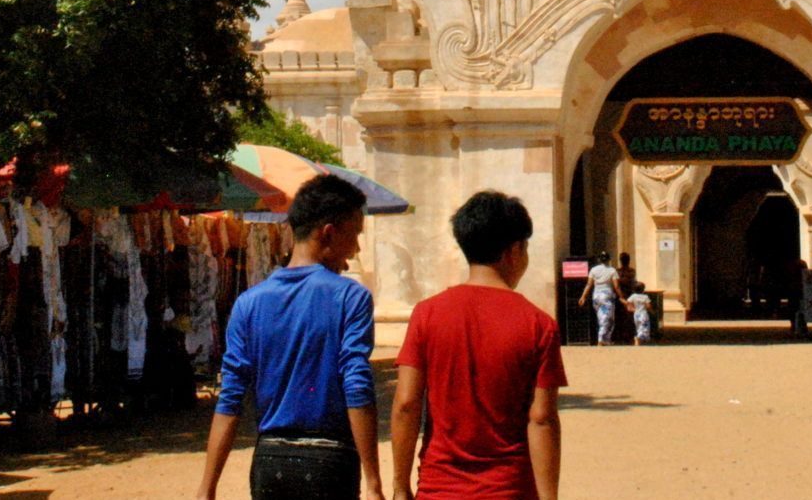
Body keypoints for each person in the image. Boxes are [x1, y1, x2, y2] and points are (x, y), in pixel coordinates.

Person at [198, 174, 382, 500]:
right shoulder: (350, 298)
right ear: (328, 233)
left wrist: (207, 487)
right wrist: (373, 481)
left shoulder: (248, 304)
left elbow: (231, 397)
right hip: (330, 462)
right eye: (354, 236)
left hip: (270, 461)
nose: (355, 250)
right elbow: (356, 384)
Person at [390, 191, 566, 500]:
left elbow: (406, 403)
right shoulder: (538, 324)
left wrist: (400, 486)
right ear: (515, 251)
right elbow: (542, 419)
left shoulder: (427, 314)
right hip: (509, 488)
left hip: (439, 487)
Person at [577, 251, 619, 345]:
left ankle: (606, 340)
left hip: (596, 296)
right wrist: (621, 296)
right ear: (609, 260)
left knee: (601, 317)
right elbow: (616, 286)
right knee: (608, 318)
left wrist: (583, 296)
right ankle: (602, 339)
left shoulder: (593, 270)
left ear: (599, 259)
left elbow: (589, 284)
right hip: (607, 295)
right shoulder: (612, 270)